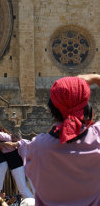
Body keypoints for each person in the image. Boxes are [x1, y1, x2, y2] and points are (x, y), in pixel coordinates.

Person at [22, 73, 100, 206]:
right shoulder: (97, 137)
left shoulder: (36, 148)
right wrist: (96, 78)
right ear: (88, 108)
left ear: (51, 109)